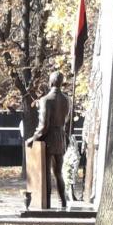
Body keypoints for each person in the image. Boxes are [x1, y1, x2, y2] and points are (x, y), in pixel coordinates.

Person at [27, 70, 72, 209]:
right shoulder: (67, 100)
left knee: (46, 173)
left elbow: (44, 126)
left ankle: (46, 202)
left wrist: (33, 138)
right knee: (58, 172)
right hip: (61, 138)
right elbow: (67, 121)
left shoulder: (46, 100)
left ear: (51, 82)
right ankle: (63, 202)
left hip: (49, 139)